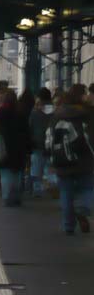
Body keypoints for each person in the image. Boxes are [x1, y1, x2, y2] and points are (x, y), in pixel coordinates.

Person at [48, 84, 94, 235]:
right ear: (81, 96)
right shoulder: (88, 113)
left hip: (62, 159)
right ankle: (81, 210)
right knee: (87, 188)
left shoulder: (57, 114)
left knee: (66, 193)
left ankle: (68, 225)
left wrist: (51, 155)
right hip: (84, 159)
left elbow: (50, 137)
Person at [0, 89, 30, 207]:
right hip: (19, 148)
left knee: (6, 173)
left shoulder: (0, 113)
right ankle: (16, 196)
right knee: (18, 173)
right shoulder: (21, 113)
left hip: (4, 147)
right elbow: (26, 131)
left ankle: (7, 197)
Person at [29, 87, 54, 198]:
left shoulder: (35, 112)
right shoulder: (55, 111)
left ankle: (37, 189)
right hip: (52, 143)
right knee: (50, 167)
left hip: (37, 143)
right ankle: (52, 186)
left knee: (36, 168)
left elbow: (30, 127)